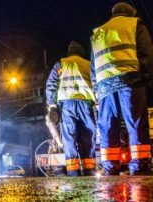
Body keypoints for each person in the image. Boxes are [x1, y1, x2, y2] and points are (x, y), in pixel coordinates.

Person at [90, 2, 153, 175]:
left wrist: (97, 90)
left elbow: (93, 68)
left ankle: (110, 168)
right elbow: (147, 54)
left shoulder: (98, 33)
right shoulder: (135, 24)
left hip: (104, 89)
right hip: (130, 82)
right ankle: (140, 167)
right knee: (136, 124)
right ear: (130, 12)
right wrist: (146, 79)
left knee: (108, 128)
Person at [46, 41, 97, 176]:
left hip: (67, 106)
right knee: (87, 137)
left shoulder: (61, 64)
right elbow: (96, 82)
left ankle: (73, 172)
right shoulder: (88, 64)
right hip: (86, 104)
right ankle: (89, 170)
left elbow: (51, 84)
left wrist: (52, 106)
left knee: (69, 138)